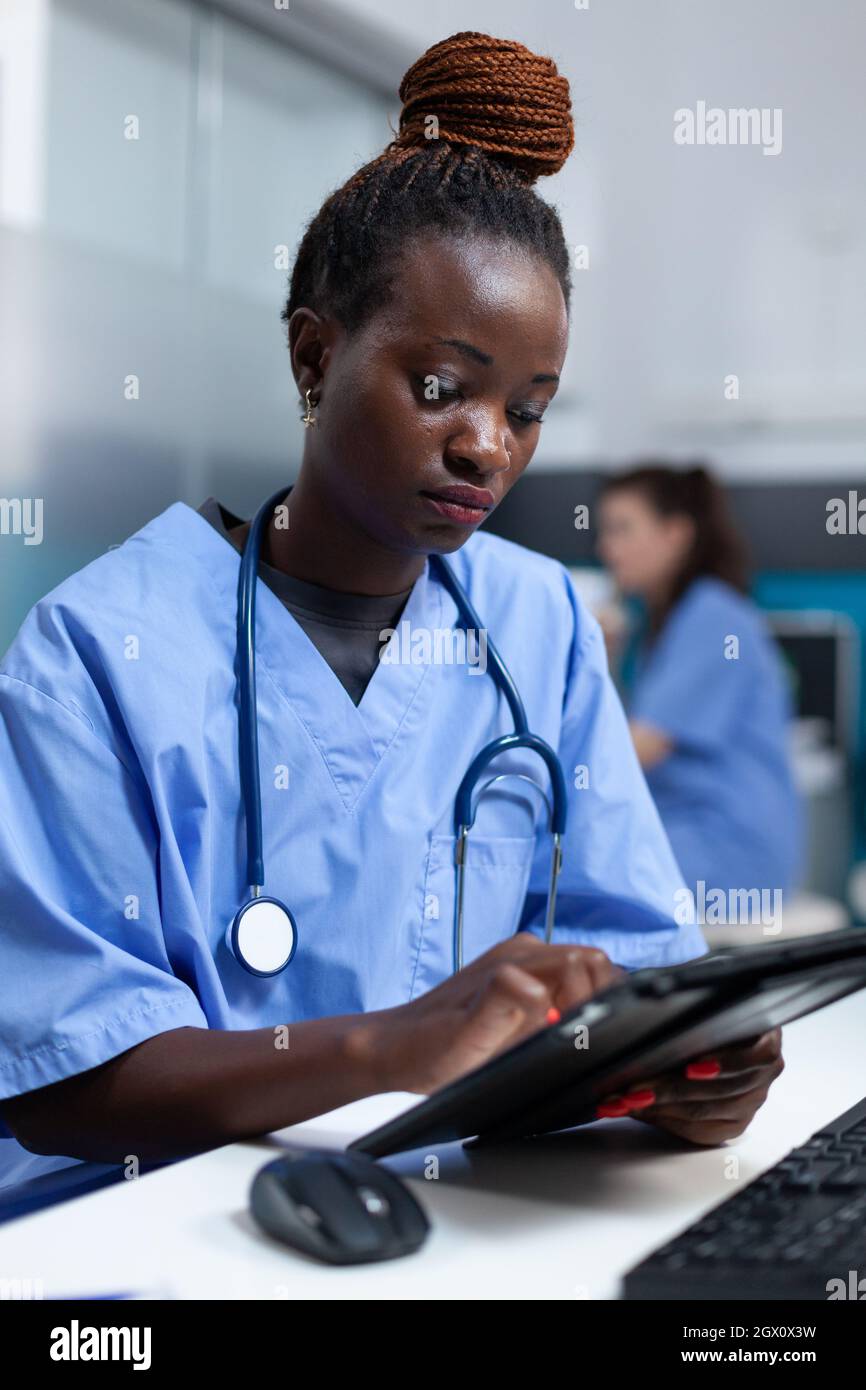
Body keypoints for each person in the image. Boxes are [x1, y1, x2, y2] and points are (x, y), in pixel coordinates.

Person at [0, 34, 783, 1190]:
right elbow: (62, 1082)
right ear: (316, 355)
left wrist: (677, 1073)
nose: (487, 444)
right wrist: (385, 1048)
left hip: (450, 1223)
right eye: (441, 387)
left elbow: (625, 967)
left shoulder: (537, 623)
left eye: (528, 408)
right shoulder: (96, 649)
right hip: (152, 1235)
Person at [597, 463, 804, 920]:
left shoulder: (713, 618)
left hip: (723, 850)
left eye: (622, 530)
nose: (607, 549)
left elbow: (638, 749)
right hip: (688, 834)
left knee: (567, 881)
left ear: (675, 533)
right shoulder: (668, 625)